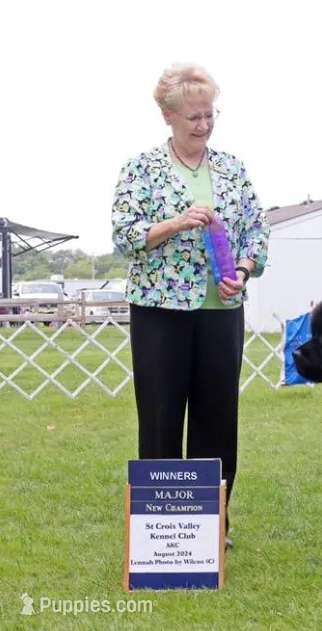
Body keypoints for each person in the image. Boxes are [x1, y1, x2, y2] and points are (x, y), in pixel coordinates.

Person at [111, 63, 270, 550]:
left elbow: (256, 233)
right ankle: (160, 531)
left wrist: (242, 272)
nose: (203, 125)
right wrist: (176, 223)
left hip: (221, 310)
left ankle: (210, 527)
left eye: (209, 115)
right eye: (193, 118)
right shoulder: (141, 170)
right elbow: (125, 236)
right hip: (160, 310)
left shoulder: (232, 169)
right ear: (167, 116)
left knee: (218, 417)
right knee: (161, 416)